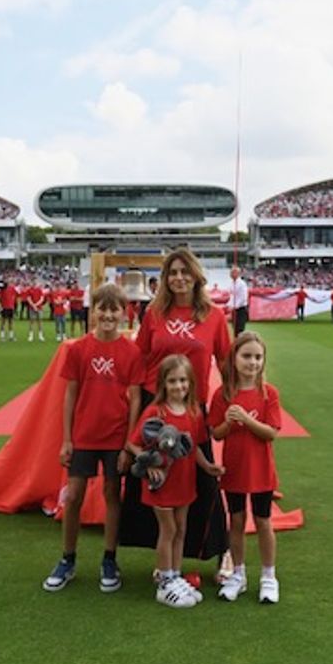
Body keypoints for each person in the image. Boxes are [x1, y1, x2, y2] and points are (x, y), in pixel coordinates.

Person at [121, 249, 231, 567]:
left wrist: (231, 402)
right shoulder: (154, 314)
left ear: (196, 275)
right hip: (154, 407)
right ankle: (162, 562)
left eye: (185, 271)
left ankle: (221, 551)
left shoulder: (214, 316)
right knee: (150, 479)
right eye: (172, 272)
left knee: (205, 481)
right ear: (166, 279)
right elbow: (139, 356)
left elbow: (224, 362)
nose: (179, 278)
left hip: (193, 409)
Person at [43, 284, 143, 594]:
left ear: (124, 313)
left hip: (115, 438)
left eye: (115, 309)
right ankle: (67, 559)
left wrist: (129, 443)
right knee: (73, 496)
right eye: (103, 308)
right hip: (84, 436)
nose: (109, 314)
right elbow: (70, 394)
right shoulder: (78, 349)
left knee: (113, 494)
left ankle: (109, 559)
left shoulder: (131, 351)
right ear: (93, 311)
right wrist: (67, 439)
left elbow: (136, 400)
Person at [127, 355, 223, 608]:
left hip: (185, 482)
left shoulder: (193, 412)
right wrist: (149, 467)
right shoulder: (155, 412)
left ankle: (175, 575)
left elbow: (195, 448)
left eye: (183, 381)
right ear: (163, 384)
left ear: (190, 383)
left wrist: (208, 466)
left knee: (181, 529)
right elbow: (133, 444)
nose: (179, 386)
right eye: (173, 381)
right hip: (162, 485)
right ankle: (164, 580)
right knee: (168, 530)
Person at [210, 332, 282, 604]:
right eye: (246, 356)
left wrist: (245, 420)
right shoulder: (223, 393)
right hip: (235, 469)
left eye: (258, 357)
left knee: (263, 521)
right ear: (234, 358)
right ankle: (238, 574)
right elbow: (216, 433)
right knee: (237, 521)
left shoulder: (268, 393)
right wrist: (229, 423)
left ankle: (268, 576)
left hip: (262, 470)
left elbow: (271, 433)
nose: (252, 362)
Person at [229, 266, 250, 336]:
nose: (231, 274)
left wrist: (236, 306)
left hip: (241, 309)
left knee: (240, 328)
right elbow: (232, 296)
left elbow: (243, 297)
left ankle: (240, 343)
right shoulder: (232, 283)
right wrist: (229, 305)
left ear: (237, 273)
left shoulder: (242, 284)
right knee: (235, 328)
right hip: (235, 309)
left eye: (232, 272)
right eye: (231, 272)